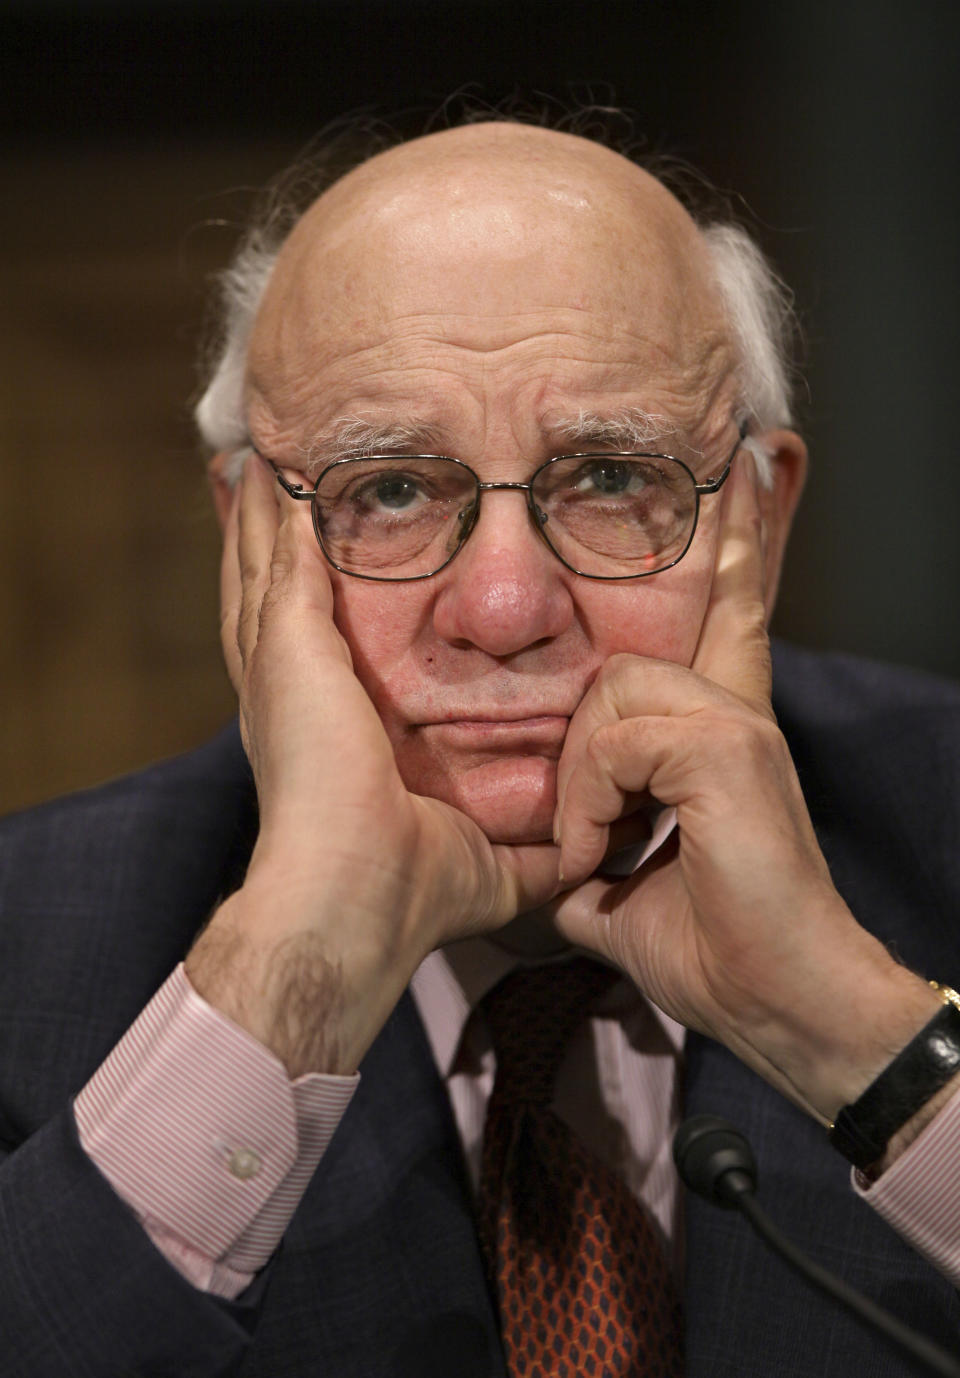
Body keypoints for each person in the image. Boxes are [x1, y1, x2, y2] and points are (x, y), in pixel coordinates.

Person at [2, 117, 959, 1378]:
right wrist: (280, 985)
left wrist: (857, 1038)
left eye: (611, 476)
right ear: (246, 543)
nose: (505, 609)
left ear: (757, 527)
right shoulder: (26, 947)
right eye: (389, 489)